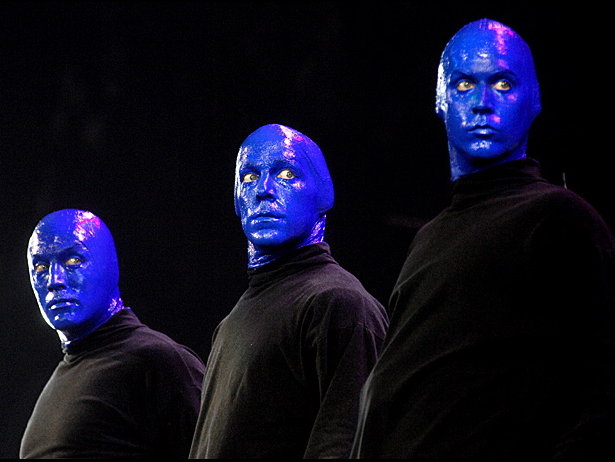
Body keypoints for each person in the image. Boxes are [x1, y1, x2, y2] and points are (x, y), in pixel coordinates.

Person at [351, 18, 615, 458]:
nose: (482, 103)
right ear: (440, 100)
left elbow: (601, 390)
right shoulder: (429, 239)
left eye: (503, 83)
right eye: (464, 85)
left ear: (535, 99)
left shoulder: (559, 219)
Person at [189, 123, 389, 458]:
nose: (263, 189)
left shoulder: (339, 304)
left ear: (324, 193)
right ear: (236, 199)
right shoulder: (232, 322)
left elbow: (345, 443)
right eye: (249, 177)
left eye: (285, 173)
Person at [20, 208, 206, 458]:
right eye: (41, 266)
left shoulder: (160, 362)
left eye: (73, 260)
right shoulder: (66, 374)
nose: (54, 280)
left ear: (111, 266)